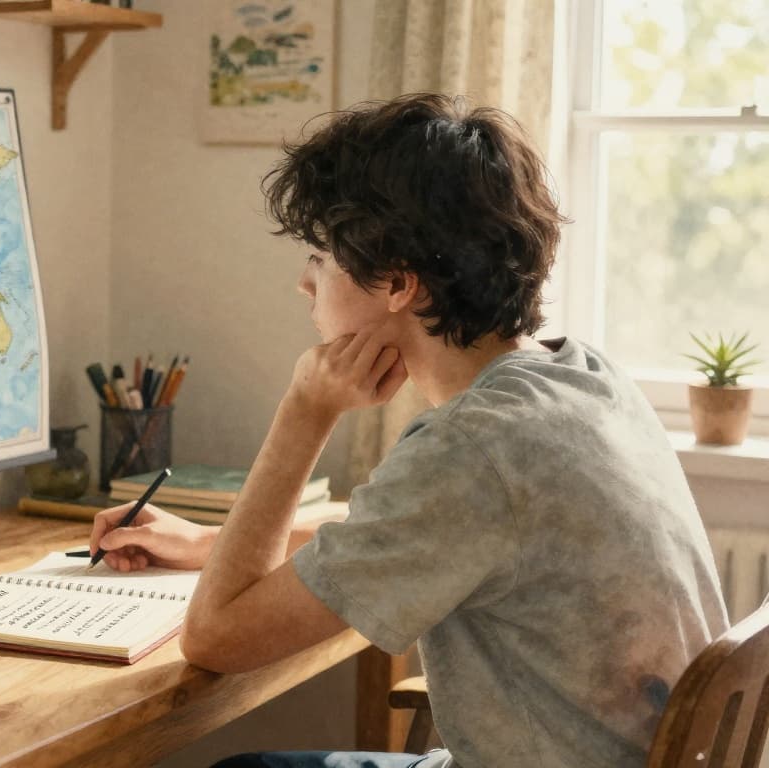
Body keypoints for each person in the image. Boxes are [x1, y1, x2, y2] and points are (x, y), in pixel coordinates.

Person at [87, 94, 728, 768]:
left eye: (319, 257)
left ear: (398, 283)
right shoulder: (583, 378)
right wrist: (205, 543)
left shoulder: (475, 451)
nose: (304, 285)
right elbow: (409, 530)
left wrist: (305, 411)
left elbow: (215, 638)